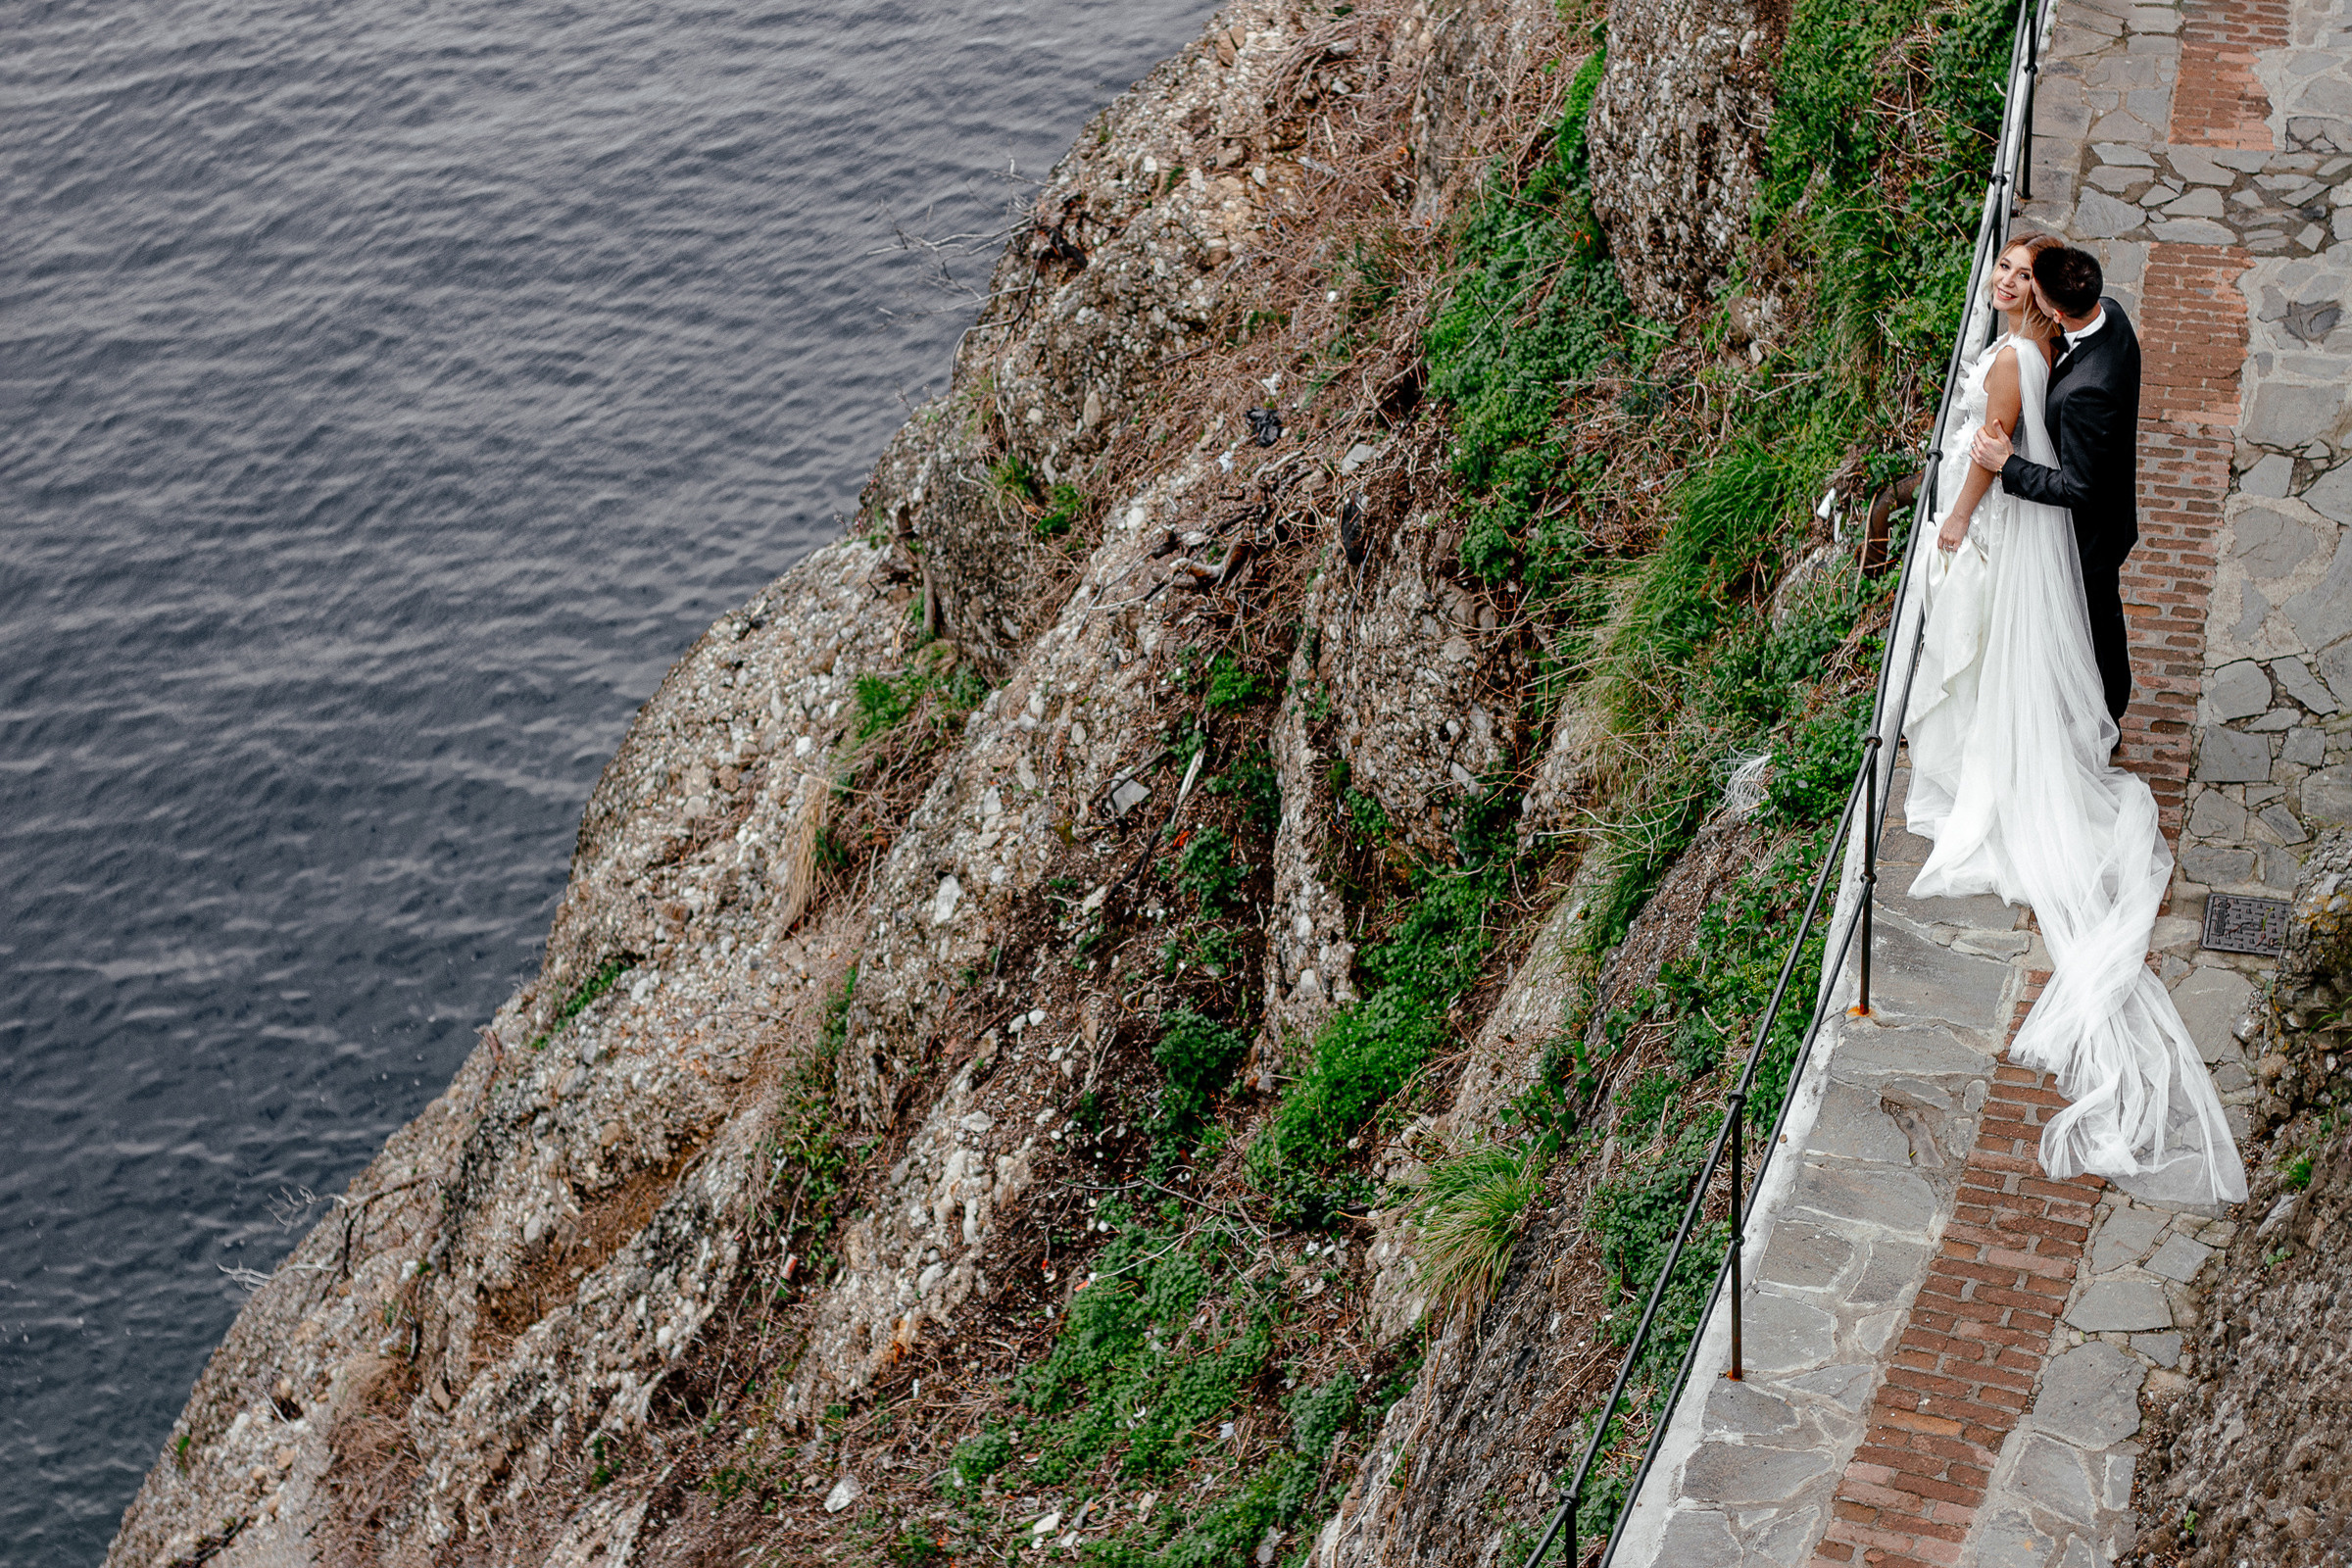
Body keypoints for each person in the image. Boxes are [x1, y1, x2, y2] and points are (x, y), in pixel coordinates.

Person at [1903, 234, 2245, 1205]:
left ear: (2050, 302)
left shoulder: (2039, 361)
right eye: (2004, 266)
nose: (2006, 280)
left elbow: (2050, 470)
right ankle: (2093, 709)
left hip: (2059, 519)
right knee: (2082, 637)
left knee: (2049, 640)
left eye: (2021, 272)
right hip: (2071, 524)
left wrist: (1979, 496)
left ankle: (2069, 731)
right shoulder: (2101, 332)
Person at [1969, 246, 2142, 723]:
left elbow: (2078, 489)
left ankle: (2108, 716)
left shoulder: (2089, 390)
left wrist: (2007, 464)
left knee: (2094, 622)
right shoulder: (2112, 313)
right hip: (2112, 501)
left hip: (2090, 533)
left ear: (2054, 309)